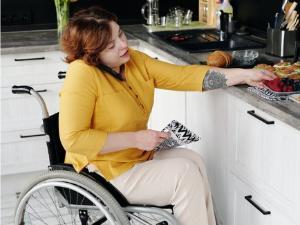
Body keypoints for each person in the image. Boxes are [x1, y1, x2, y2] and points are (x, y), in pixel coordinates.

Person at [59, 6, 276, 225]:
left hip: (133, 157)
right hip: (103, 171)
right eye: (111, 45)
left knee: (194, 161)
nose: (124, 45)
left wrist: (244, 74)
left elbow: (183, 76)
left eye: (121, 34)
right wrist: (136, 138)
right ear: (93, 54)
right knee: (184, 174)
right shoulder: (82, 73)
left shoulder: (133, 61)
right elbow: (73, 139)